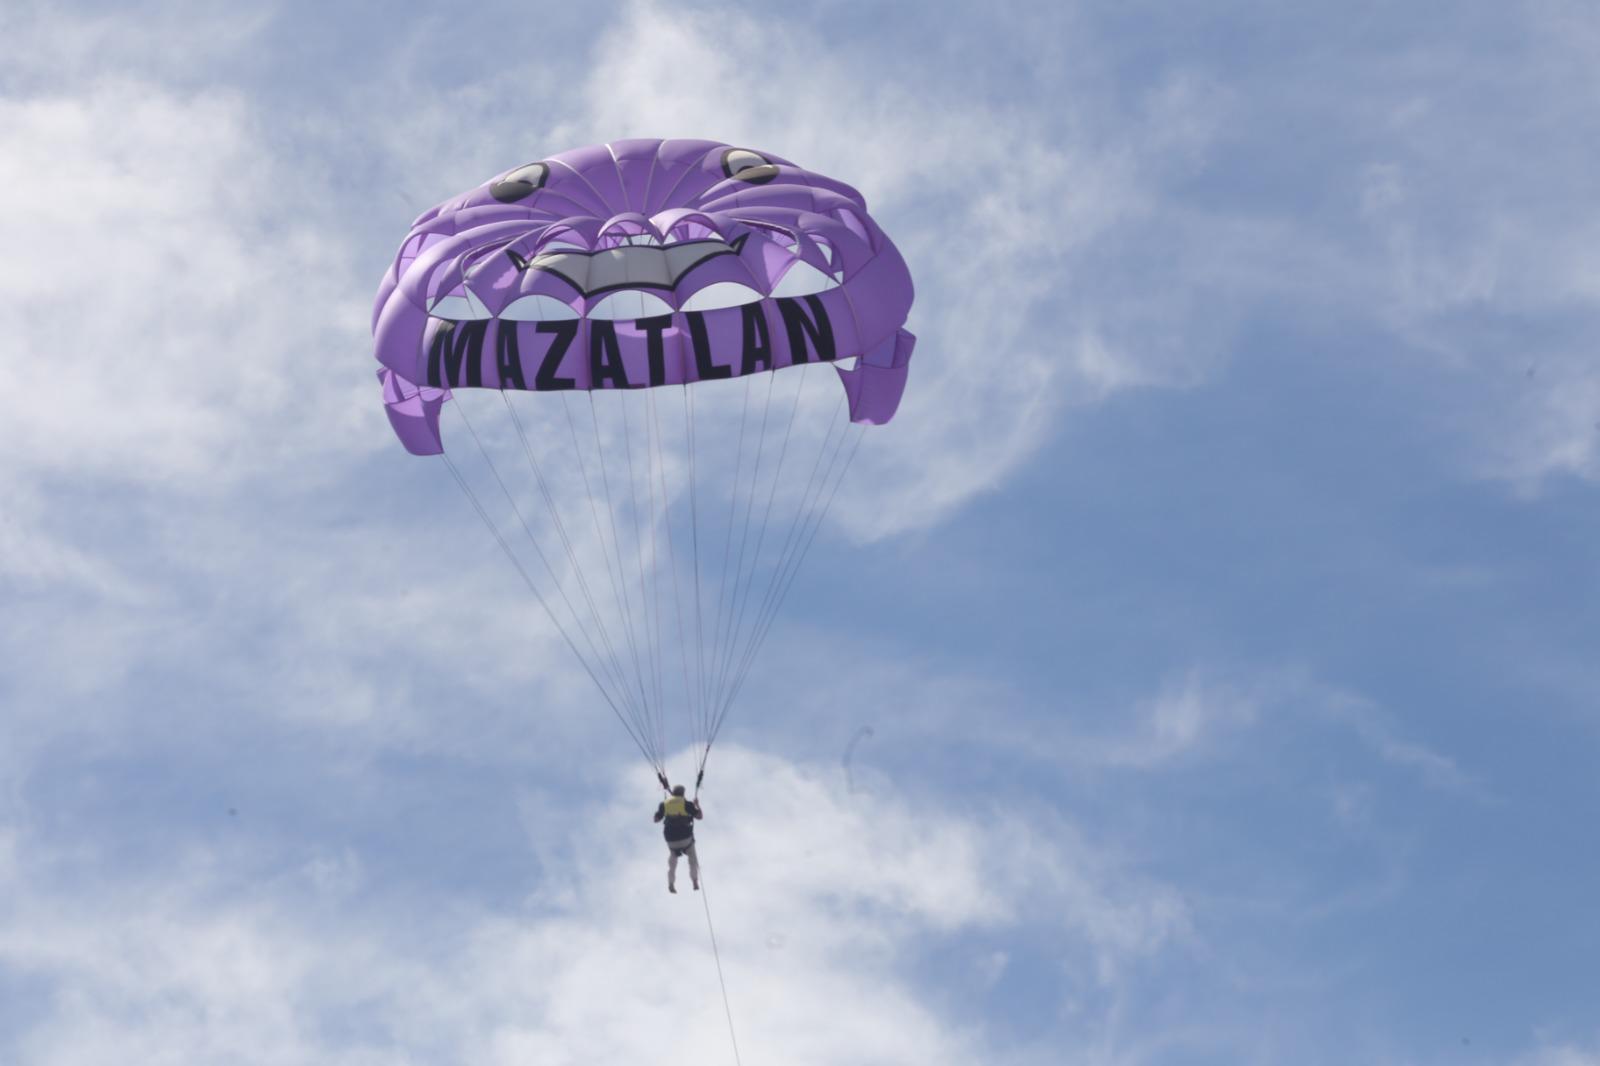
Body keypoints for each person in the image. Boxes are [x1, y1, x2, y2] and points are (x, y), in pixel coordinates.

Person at [653, 783, 703, 893]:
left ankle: (671, 883)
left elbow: (656, 819)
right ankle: (694, 880)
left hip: (671, 840)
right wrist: (697, 805)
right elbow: (699, 817)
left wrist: (663, 812)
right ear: (683, 794)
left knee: (672, 861)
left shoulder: (664, 804)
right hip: (685, 838)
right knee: (692, 859)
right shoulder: (687, 804)